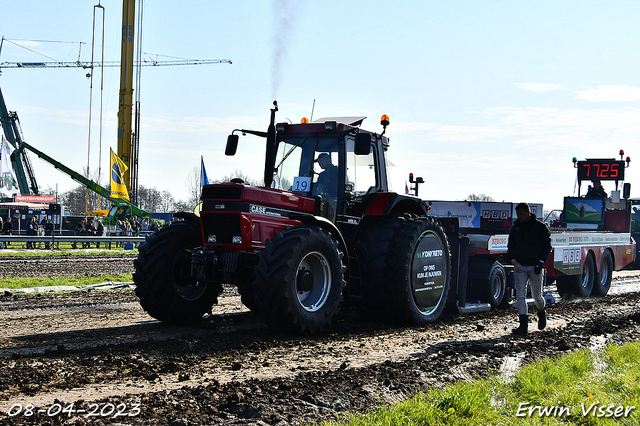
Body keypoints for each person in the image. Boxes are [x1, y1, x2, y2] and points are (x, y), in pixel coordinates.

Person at [506, 202, 552, 335]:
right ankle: (523, 326)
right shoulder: (515, 228)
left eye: (522, 214)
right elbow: (511, 245)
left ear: (528, 213)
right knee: (520, 296)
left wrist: (541, 262)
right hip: (520, 265)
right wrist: (512, 259)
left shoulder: (540, 227)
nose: (519, 217)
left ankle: (541, 312)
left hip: (535, 266)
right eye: (518, 214)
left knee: (537, 296)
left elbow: (547, 246)